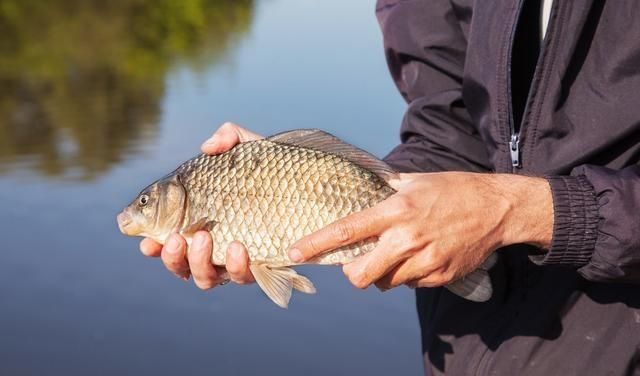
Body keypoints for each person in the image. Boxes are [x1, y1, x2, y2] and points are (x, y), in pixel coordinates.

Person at [140, 0, 640, 374]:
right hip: (464, 348)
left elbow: (510, 199)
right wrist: (299, 190)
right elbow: (448, 124)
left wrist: (530, 211)